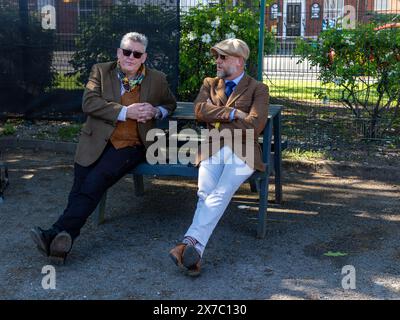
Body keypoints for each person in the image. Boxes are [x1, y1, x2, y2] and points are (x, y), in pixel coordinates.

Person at [31, 32, 176, 263]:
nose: (130, 57)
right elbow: (89, 103)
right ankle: (61, 243)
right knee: (79, 188)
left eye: (136, 54)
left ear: (144, 57)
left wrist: (157, 111)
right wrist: (126, 112)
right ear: (119, 52)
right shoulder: (100, 71)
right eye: (126, 51)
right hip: (95, 141)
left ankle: (54, 234)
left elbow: (170, 103)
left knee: (94, 182)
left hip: (131, 145)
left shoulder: (156, 79)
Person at [169, 38, 269, 276]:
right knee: (205, 193)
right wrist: (233, 112)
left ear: (239, 60)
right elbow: (199, 110)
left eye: (222, 57)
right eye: (217, 56)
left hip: (244, 150)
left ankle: (187, 245)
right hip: (212, 148)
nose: (217, 61)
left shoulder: (258, 88)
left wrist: (217, 120)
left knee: (221, 192)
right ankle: (194, 252)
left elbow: (255, 125)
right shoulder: (210, 84)